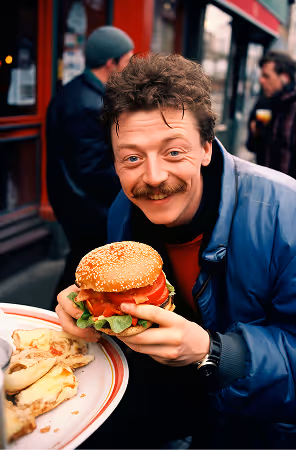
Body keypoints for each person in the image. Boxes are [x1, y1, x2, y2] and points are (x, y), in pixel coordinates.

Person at [56, 54, 296, 450]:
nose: (152, 177)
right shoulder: (123, 211)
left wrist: (215, 353)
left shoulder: (285, 213)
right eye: (132, 158)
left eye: (173, 152)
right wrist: (93, 313)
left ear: (205, 147)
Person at [46, 26, 134, 308]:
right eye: (128, 59)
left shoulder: (79, 92)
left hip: (78, 202)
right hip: (86, 207)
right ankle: (55, 319)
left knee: (82, 266)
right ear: (112, 62)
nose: (130, 66)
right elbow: (92, 170)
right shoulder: (86, 103)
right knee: (82, 270)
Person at [247, 50, 296, 177]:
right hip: (265, 186)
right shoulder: (263, 103)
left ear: (284, 78)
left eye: (266, 76)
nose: (261, 80)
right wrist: (255, 133)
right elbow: (252, 146)